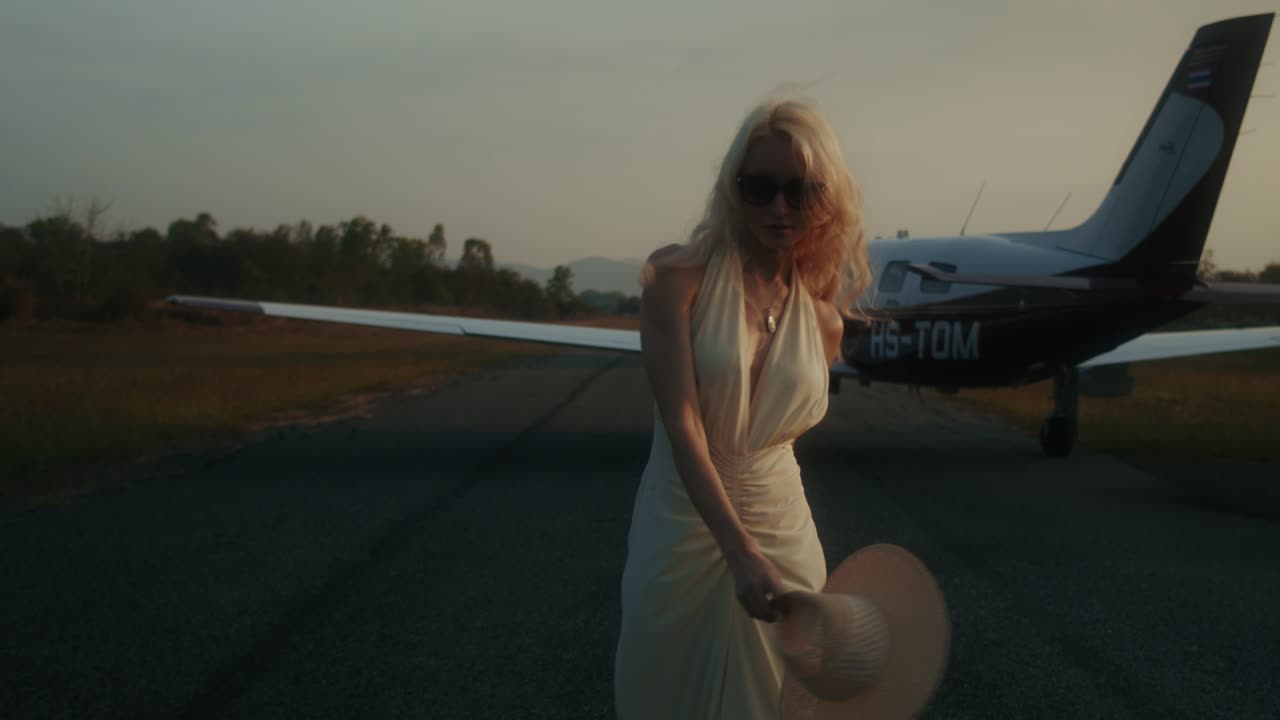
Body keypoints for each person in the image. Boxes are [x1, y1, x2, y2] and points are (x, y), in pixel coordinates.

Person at [614, 96, 872, 719]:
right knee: (663, 691)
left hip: (783, 528)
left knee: (782, 701)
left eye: (800, 191)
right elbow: (683, 424)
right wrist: (737, 549)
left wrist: (758, 548)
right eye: (759, 187)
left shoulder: (825, 323)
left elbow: (778, 430)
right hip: (683, 526)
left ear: (826, 198)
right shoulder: (676, 278)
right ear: (734, 189)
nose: (779, 207)